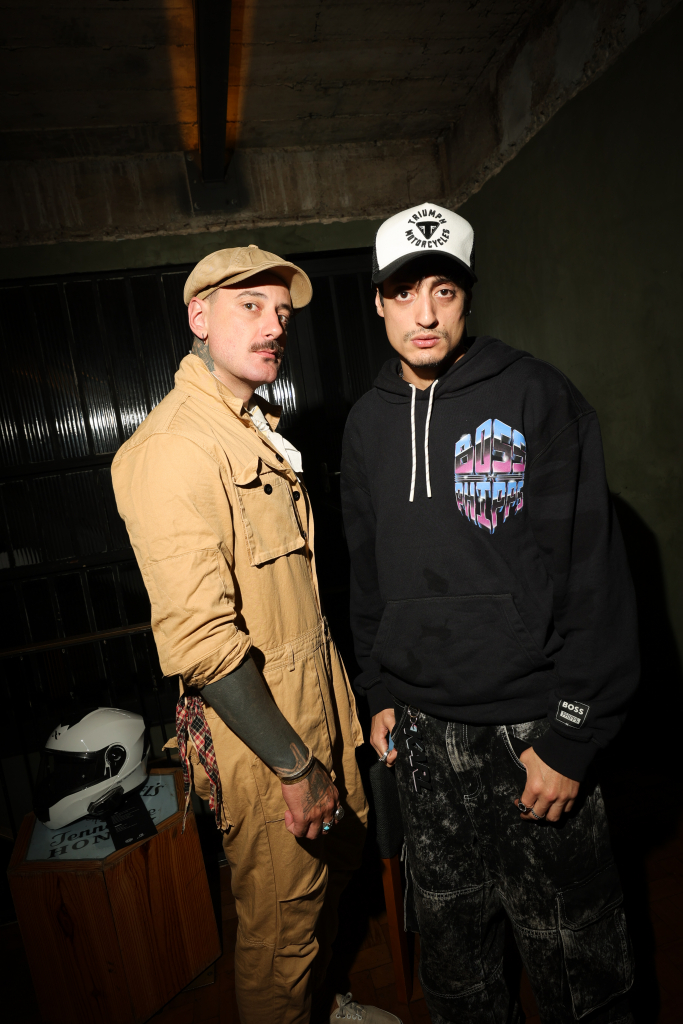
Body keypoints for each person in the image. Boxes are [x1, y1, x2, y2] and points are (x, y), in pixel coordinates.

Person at [340, 205, 639, 1024]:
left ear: (468, 297)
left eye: (443, 291)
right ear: (378, 301)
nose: (425, 314)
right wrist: (378, 691)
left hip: (530, 732)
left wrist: (572, 736)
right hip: (421, 738)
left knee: (577, 965)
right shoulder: (364, 424)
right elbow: (365, 576)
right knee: (458, 970)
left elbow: (592, 576)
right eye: (404, 293)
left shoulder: (537, 395)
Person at [112, 246, 399, 1024]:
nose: (273, 326)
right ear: (198, 317)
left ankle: (322, 1005)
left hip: (318, 702)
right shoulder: (174, 448)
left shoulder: (252, 428)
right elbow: (204, 642)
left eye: (281, 313)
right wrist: (294, 767)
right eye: (250, 306)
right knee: (280, 933)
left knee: (331, 880)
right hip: (267, 736)